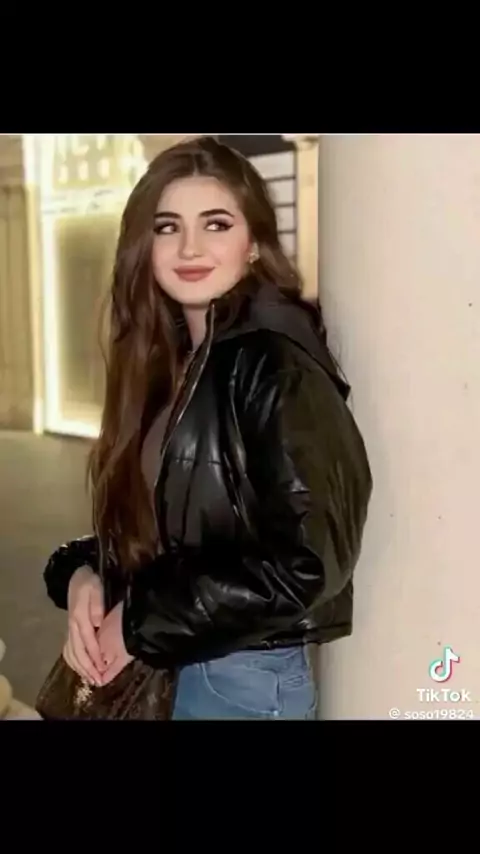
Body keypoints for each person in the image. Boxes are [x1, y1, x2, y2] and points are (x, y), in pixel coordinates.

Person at [43, 136, 373, 720]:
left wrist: (140, 622)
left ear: (254, 244)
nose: (189, 247)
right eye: (167, 227)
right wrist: (82, 574)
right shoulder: (173, 363)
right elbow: (183, 535)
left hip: (238, 680)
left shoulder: (274, 363)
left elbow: (306, 564)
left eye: (216, 224)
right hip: (175, 664)